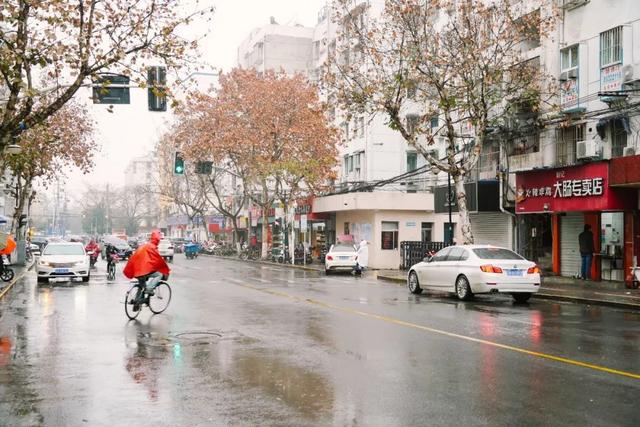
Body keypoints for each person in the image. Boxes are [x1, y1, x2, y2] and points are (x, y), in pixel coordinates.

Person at [123, 230, 170, 306]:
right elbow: (158, 261)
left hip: (137, 271)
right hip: (144, 271)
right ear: (157, 240)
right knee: (159, 275)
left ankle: (137, 304)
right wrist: (165, 270)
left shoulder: (144, 246)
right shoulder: (152, 247)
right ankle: (149, 289)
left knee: (141, 286)